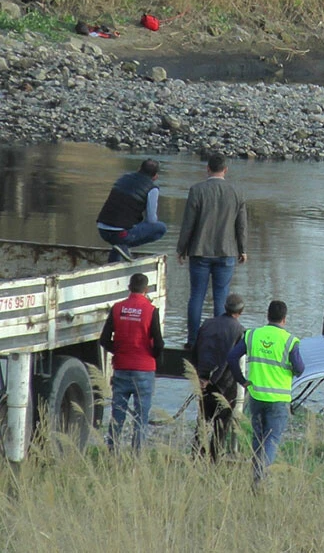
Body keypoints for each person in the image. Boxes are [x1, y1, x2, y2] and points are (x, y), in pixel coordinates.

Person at [225, 300, 304, 486]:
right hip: (278, 398)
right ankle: (259, 477)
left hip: (257, 396)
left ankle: (256, 473)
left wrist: (241, 380)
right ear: (284, 319)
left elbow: (232, 357)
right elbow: (300, 368)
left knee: (258, 436)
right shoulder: (290, 341)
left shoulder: (253, 335)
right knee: (272, 439)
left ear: (267, 316)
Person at [177, 154, 249, 347]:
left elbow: (188, 224)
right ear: (225, 170)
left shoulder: (197, 190)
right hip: (227, 252)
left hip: (199, 251)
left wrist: (181, 248)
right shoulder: (237, 192)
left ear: (207, 169)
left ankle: (192, 341)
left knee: (197, 296)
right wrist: (242, 249)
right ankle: (220, 342)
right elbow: (241, 226)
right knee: (221, 298)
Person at [99, 273, 164, 452]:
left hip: (121, 367)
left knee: (117, 415)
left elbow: (104, 340)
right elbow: (159, 342)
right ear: (146, 289)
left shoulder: (117, 308)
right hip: (144, 368)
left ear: (129, 288)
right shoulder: (151, 310)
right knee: (141, 417)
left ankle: (112, 452)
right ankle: (137, 457)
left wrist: (119, 351)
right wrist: (153, 356)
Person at [191, 293, 245, 462]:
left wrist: (200, 378)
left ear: (225, 307)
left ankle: (195, 458)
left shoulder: (207, 324)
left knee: (202, 424)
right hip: (225, 387)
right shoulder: (239, 331)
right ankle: (214, 462)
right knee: (221, 428)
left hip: (203, 383)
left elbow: (195, 351)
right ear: (241, 311)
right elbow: (230, 359)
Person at [96, 159, 167, 262]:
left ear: (139, 169)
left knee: (122, 239)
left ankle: (119, 251)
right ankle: (124, 245)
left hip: (102, 228)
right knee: (161, 228)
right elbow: (151, 220)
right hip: (120, 233)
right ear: (155, 176)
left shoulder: (123, 178)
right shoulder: (152, 189)